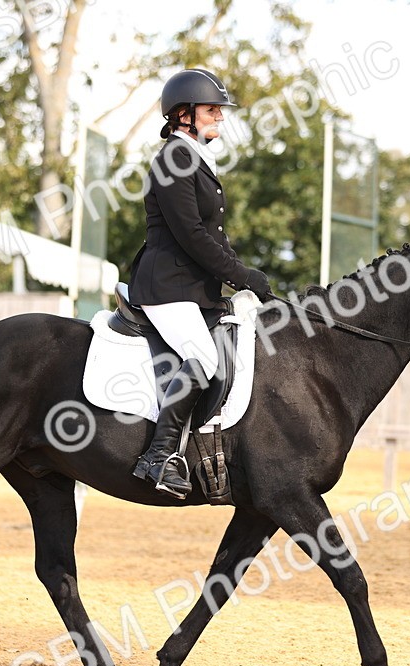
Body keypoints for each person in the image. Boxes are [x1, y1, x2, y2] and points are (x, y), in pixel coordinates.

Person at [127, 68, 273, 499]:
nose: (220, 118)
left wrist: (239, 280)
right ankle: (159, 455)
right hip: (166, 288)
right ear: (184, 114)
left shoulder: (194, 158)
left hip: (194, 290)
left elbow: (211, 237)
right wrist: (241, 275)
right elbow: (192, 234)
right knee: (204, 358)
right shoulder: (174, 159)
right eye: (212, 110)